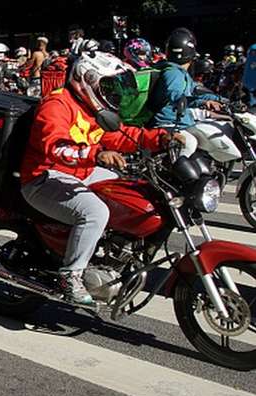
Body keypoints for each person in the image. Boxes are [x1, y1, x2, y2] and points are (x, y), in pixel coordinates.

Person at [20, 51, 174, 305]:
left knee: (131, 191)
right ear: (87, 79)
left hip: (80, 172)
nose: (112, 92)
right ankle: (70, 276)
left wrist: (160, 139)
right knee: (95, 213)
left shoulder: (90, 108)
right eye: (107, 85)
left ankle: (110, 254)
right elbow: (55, 147)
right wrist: (97, 154)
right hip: (44, 177)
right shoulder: (57, 104)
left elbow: (119, 136)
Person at [147, 28, 232, 158]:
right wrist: (202, 102)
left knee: (208, 134)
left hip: (181, 121)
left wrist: (221, 100)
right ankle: (176, 175)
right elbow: (176, 96)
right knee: (189, 143)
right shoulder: (173, 72)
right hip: (168, 123)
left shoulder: (179, 72)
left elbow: (196, 92)